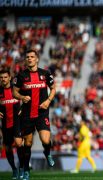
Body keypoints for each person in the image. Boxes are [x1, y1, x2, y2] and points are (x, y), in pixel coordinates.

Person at [13, 49, 56, 180]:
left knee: (46, 140)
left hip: (42, 113)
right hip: (27, 115)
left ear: (37, 59)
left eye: (32, 57)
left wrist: (48, 101)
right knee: (28, 143)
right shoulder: (20, 76)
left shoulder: (45, 73)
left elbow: (53, 88)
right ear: (25, 60)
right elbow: (15, 92)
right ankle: (26, 170)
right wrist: (21, 97)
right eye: (27, 57)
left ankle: (47, 153)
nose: (30, 59)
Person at [0, 68, 24, 179]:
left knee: (19, 144)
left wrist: (23, 108)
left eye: (5, 77)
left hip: (17, 122)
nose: (3, 79)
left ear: (9, 77)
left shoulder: (16, 89)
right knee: (8, 148)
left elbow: (28, 97)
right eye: (1, 78)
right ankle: (14, 169)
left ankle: (22, 168)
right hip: (5, 124)